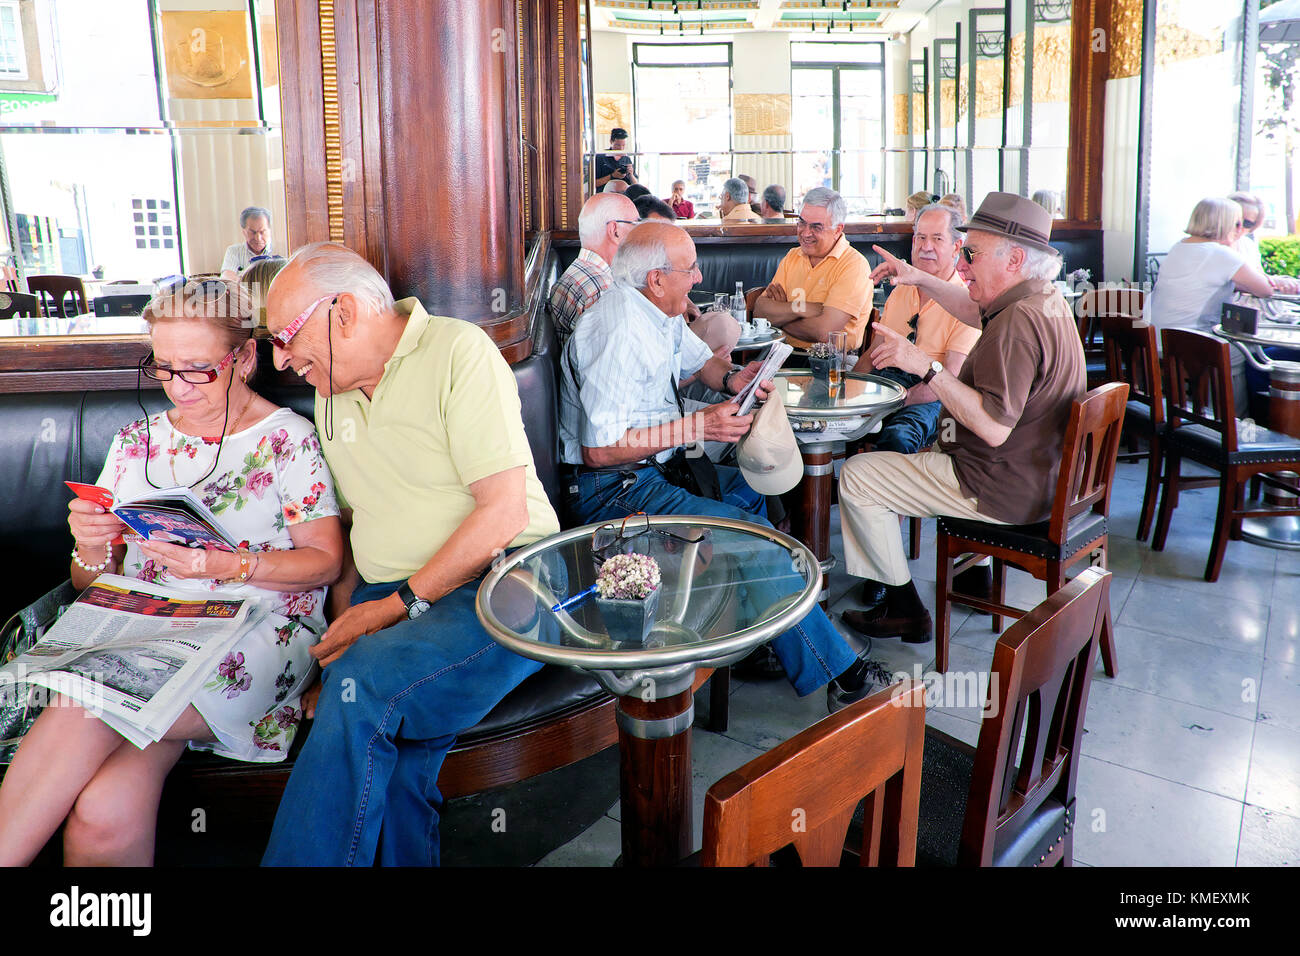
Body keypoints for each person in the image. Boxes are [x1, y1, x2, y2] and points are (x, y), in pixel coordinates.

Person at [0, 279, 344, 866]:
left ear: (245, 357)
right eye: (163, 367)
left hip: (256, 632)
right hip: (145, 627)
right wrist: (89, 544)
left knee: (86, 698)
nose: (179, 387)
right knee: (103, 811)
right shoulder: (137, 441)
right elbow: (91, 584)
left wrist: (222, 563)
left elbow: (325, 562)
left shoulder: (287, 439)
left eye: (198, 369)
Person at [261, 242, 561, 867]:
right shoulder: (331, 390)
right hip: (394, 601)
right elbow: (351, 527)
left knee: (362, 687)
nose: (282, 360)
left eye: (287, 337)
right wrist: (339, 632)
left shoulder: (458, 351)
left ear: (341, 313)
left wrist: (387, 614)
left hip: (508, 578)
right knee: (388, 760)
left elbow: (502, 513)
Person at [560, 221, 893, 711]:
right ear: (656, 278)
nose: (697, 278)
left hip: (655, 472)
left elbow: (699, 365)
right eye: (689, 268)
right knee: (760, 540)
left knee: (758, 488)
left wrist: (736, 379)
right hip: (613, 491)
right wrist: (701, 429)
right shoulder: (617, 329)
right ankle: (847, 678)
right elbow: (600, 450)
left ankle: (762, 630)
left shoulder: (658, 310)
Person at [838, 192, 1084, 642]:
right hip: (1041, 475)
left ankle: (904, 608)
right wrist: (917, 277)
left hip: (998, 486)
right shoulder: (1041, 297)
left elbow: (991, 428)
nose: (962, 263)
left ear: (1013, 259)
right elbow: (971, 307)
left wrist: (924, 364)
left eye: (970, 252)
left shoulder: (1016, 325)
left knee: (857, 475)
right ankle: (963, 575)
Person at [853, 203, 979, 455]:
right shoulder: (902, 288)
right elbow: (873, 354)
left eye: (937, 239)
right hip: (888, 382)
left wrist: (896, 402)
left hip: (933, 392)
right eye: (920, 237)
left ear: (956, 246)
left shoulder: (967, 301)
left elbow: (950, 377)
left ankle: (895, 492)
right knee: (840, 426)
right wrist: (848, 389)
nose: (926, 247)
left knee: (898, 436)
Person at [1144, 196, 1275, 417]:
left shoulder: (1180, 246)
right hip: (1187, 343)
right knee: (1244, 351)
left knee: (1235, 344)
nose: (1240, 229)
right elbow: (1265, 290)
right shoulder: (1220, 253)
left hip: (1159, 339)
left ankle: (1210, 413)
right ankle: (1232, 423)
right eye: (1236, 223)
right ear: (1223, 224)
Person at [754, 186, 874, 349]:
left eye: (816, 227)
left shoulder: (854, 266)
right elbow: (760, 312)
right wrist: (802, 308)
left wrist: (780, 319)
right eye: (802, 223)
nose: (805, 233)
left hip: (834, 361)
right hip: (783, 352)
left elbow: (824, 332)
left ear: (837, 230)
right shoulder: (793, 256)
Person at [549, 192, 639, 346]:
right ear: (614, 230)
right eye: (635, 224)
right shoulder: (602, 289)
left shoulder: (580, 270)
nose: (638, 234)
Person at [1229, 191, 1300, 294]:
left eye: (1247, 223)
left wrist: (1284, 282)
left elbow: (1259, 276)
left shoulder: (1248, 245)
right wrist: (1275, 282)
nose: (1239, 227)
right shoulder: (1212, 245)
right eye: (1235, 221)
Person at [220, 206, 274, 279]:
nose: (258, 238)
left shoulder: (281, 250)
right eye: (253, 232)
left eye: (262, 232)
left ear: (269, 230)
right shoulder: (234, 251)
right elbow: (227, 277)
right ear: (244, 232)